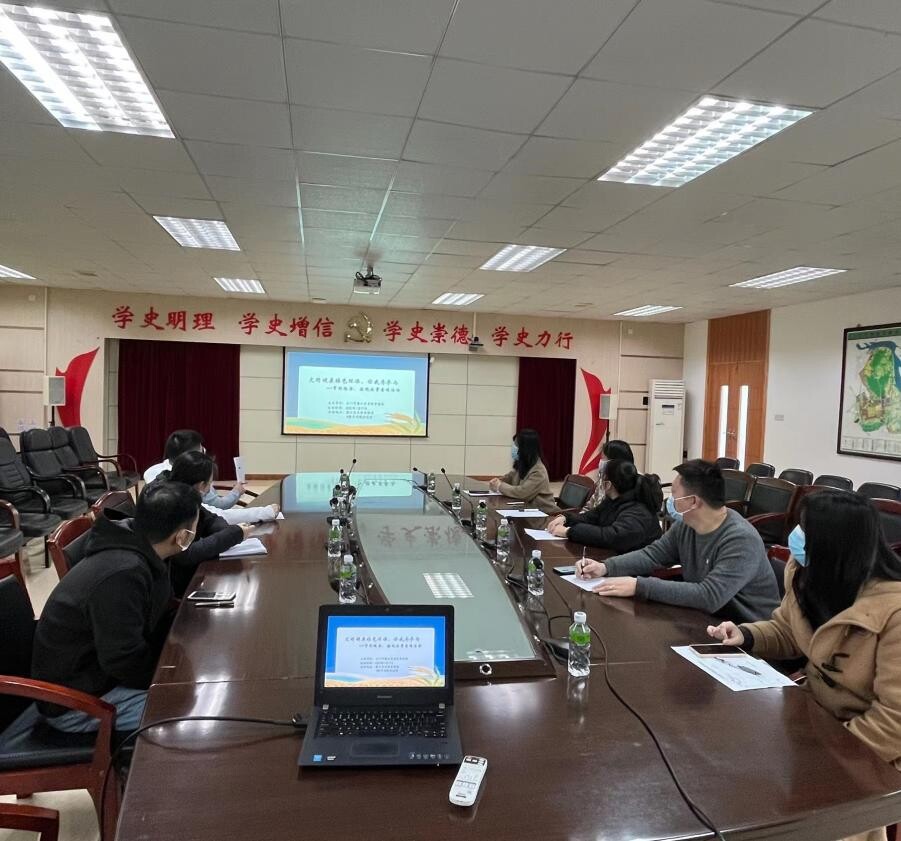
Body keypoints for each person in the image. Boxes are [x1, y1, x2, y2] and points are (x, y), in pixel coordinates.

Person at [709, 492, 901, 841]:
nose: (794, 536)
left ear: (834, 544)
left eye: (804, 529)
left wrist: (828, 754)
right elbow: (789, 631)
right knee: (728, 771)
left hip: (867, 746)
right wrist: (746, 635)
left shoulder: (893, 611)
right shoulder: (808, 573)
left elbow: (894, 721)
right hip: (811, 720)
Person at [31, 482, 201, 733]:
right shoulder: (122, 574)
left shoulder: (143, 547)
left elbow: (157, 611)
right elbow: (123, 660)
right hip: (74, 702)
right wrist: (174, 677)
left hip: (102, 676)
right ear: (182, 537)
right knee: (195, 711)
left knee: (193, 686)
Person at [577, 459, 780, 622]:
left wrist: (639, 586)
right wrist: (605, 567)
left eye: (674, 495)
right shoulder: (687, 526)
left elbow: (710, 596)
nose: (670, 501)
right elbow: (653, 555)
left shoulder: (740, 539)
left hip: (745, 633)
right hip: (704, 620)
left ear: (693, 502)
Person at [161, 451, 254, 596]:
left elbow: (212, 520)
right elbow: (185, 554)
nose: (209, 489)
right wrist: (234, 533)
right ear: (201, 485)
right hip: (172, 587)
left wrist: (228, 532)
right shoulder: (169, 503)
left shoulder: (183, 495)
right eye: (210, 484)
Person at [545, 459, 662, 552]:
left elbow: (612, 537)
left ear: (608, 484)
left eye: (602, 479)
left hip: (639, 569)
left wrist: (569, 532)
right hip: (612, 558)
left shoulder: (638, 510)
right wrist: (565, 518)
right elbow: (589, 517)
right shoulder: (613, 500)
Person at [143, 429, 244, 510]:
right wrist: (236, 492)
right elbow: (218, 506)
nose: (204, 452)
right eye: (201, 449)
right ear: (191, 457)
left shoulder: (151, 471)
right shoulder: (194, 475)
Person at [488, 428, 556, 513]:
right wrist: (498, 481)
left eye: (516, 445)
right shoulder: (524, 465)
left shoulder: (538, 471)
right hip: (527, 509)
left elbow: (522, 493)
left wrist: (500, 486)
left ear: (525, 448)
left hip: (544, 513)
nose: (514, 448)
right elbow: (510, 477)